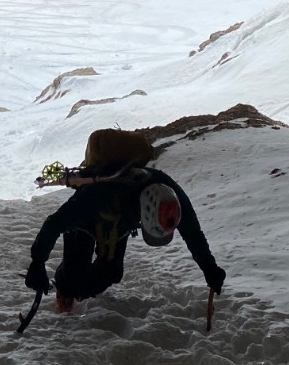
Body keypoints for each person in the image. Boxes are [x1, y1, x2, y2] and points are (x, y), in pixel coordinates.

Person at [24, 128, 226, 313]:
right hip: (87, 221)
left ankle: (78, 288)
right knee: (74, 279)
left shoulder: (169, 193)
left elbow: (192, 232)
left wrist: (210, 268)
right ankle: (65, 288)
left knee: (111, 273)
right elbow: (55, 223)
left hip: (119, 225)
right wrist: (38, 263)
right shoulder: (94, 197)